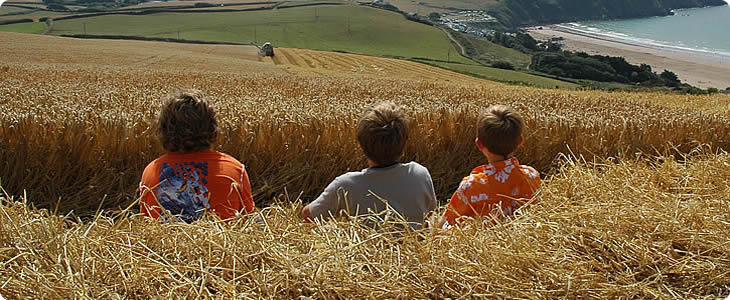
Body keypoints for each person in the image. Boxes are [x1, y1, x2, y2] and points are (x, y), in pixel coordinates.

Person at [301, 101, 437, 229]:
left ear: (360, 145)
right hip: (413, 252)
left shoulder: (346, 185)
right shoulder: (420, 174)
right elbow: (429, 212)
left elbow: (308, 216)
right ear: (405, 143)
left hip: (367, 253)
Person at [139, 89, 254, 223]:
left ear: (164, 129)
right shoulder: (235, 170)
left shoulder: (151, 172)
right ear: (212, 127)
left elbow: (147, 223)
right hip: (220, 243)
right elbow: (247, 223)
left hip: (166, 244)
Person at [438, 104, 540, 228]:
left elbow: (446, 221)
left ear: (479, 144)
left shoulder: (471, 185)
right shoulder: (532, 175)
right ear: (520, 142)